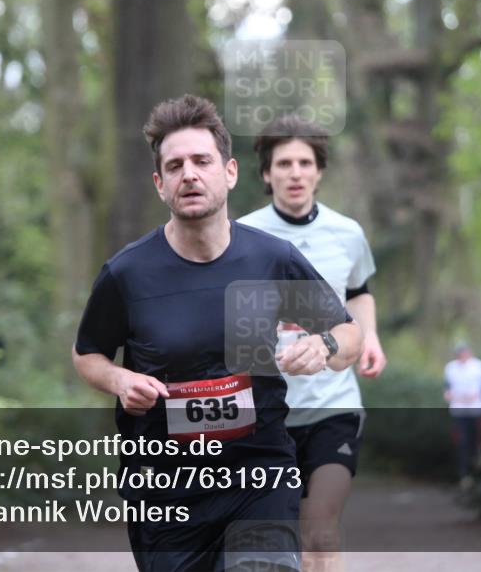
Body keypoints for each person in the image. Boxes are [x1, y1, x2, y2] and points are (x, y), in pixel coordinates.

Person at [72, 95, 362, 572]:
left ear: (229, 173)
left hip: (259, 476)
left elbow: (347, 334)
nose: (189, 173)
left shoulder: (272, 260)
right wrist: (120, 381)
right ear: (159, 184)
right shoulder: (128, 273)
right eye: (175, 165)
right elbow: (88, 354)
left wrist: (324, 344)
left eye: (201, 161)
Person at [238, 116, 386, 572]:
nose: (295, 172)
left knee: (320, 526)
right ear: (266, 173)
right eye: (284, 163)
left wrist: (370, 337)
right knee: (281, 539)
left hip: (333, 407)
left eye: (305, 162)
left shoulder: (347, 234)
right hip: (268, 410)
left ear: (319, 171)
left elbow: (358, 292)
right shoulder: (241, 236)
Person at [443, 341, 481, 489]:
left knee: (476, 441)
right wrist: (448, 394)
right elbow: (447, 386)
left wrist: (478, 394)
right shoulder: (451, 368)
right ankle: (464, 475)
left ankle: (479, 471)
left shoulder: (480, 366)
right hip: (458, 410)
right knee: (462, 442)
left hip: (476, 409)